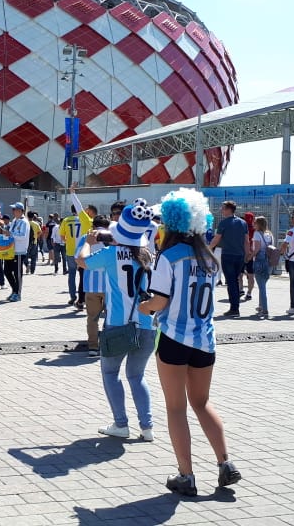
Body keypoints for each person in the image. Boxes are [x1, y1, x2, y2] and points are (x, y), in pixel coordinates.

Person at [139, 188, 240, 498]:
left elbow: (160, 301)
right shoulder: (209, 259)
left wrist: (143, 307)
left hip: (173, 338)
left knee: (175, 407)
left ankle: (187, 475)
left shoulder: (169, 257)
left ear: (173, 222)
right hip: (204, 341)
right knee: (201, 402)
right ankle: (225, 462)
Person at [77, 199, 157, 442]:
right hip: (145, 323)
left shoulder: (111, 253)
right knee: (137, 376)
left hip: (117, 324)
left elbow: (81, 262)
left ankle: (121, 424)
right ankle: (147, 427)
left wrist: (89, 243)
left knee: (110, 373)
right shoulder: (148, 255)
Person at [76, 214, 112, 357]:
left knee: (92, 318)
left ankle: (93, 346)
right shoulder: (112, 238)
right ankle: (109, 345)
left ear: (93, 225)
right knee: (111, 318)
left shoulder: (86, 238)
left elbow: (77, 257)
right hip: (110, 285)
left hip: (91, 285)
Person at [207, 200, 248, 318]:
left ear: (229, 209)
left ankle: (234, 308)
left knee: (231, 282)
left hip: (228, 255)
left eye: (223, 208)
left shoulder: (224, 223)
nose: (222, 210)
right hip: (240, 256)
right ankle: (235, 307)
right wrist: (247, 255)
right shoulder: (243, 223)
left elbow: (216, 239)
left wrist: (208, 249)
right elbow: (246, 241)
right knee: (234, 280)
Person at [250, 216, 275, 319]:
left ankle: (265, 310)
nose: (253, 224)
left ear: (259, 224)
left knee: (262, 287)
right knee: (263, 285)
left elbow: (257, 249)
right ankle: (261, 306)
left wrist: (249, 256)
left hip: (260, 261)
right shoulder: (270, 234)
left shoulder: (257, 234)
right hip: (269, 261)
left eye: (254, 223)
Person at [4, 202, 29, 302]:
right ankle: (14, 290)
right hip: (10, 250)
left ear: (20, 211)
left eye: (14, 209)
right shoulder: (15, 220)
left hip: (19, 251)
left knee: (17, 273)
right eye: (13, 209)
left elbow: (22, 236)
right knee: (7, 271)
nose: (13, 211)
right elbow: (11, 233)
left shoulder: (24, 222)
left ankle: (18, 294)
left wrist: (10, 234)